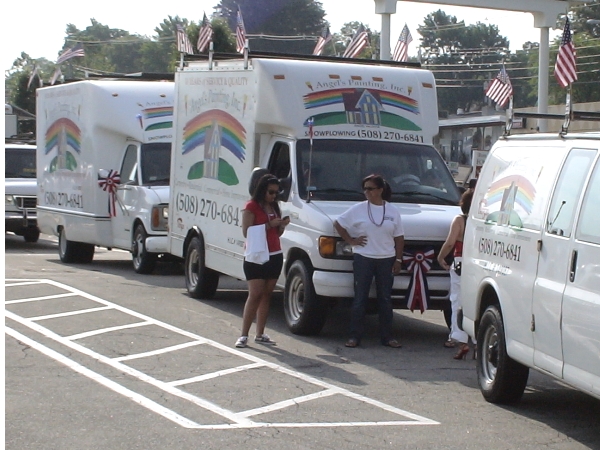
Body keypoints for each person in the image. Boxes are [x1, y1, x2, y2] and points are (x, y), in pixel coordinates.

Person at [334, 174, 404, 348]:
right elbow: (338, 223)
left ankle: (387, 337)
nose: (367, 192)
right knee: (360, 298)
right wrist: (351, 240)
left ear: (380, 190)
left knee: (385, 299)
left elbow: (399, 237)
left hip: (386, 259)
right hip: (364, 258)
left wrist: (398, 259)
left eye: (370, 188)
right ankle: (354, 336)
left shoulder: (392, 210)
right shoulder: (358, 209)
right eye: (364, 188)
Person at [236, 174, 290, 348]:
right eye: (271, 192)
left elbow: (277, 233)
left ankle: (260, 333)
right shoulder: (251, 207)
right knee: (255, 294)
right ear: (262, 190)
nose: (274, 196)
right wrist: (269, 225)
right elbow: (247, 231)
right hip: (256, 254)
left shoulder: (274, 206)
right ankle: (244, 334)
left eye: (276, 192)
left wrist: (281, 226)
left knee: (267, 294)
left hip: (274, 252)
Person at [437, 189, 476, 359]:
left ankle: (460, 340)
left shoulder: (460, 220)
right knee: (475, 302)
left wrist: (440, 256)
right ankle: (477, 340)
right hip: (477, 265)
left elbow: (450, 242)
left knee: (457, 301)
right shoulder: (483, 222)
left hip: (460, 262)